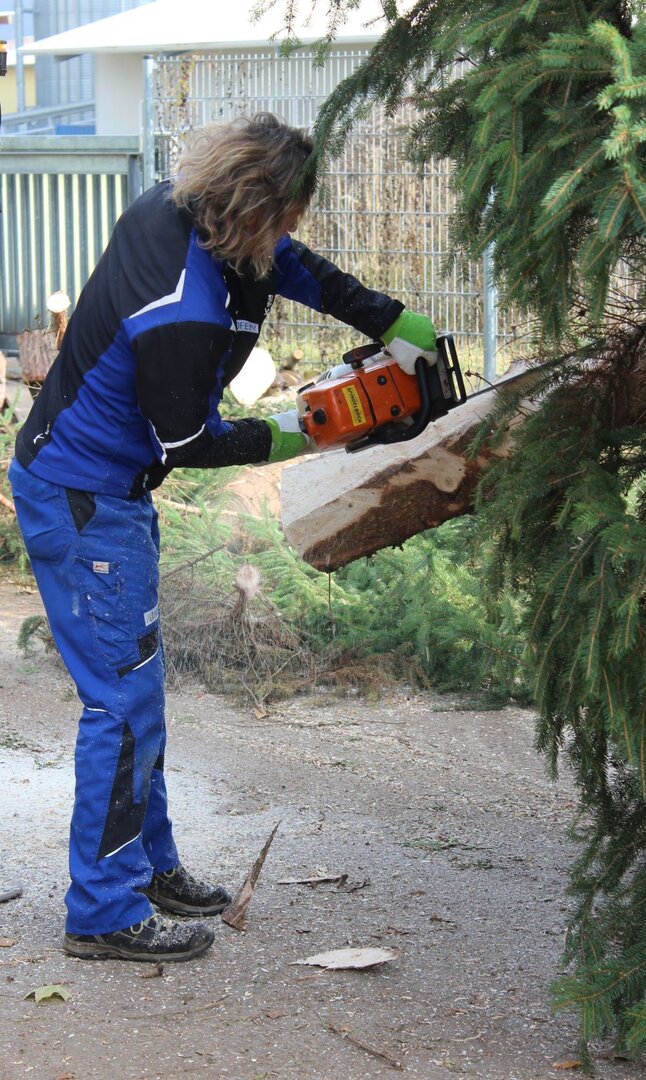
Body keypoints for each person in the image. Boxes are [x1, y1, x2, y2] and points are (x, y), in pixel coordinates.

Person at [9, 113, 437, 963]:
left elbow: (297, 270)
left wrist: (392, 322)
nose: (291, 235)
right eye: (285, 217)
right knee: (121, 707)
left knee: (138, 692)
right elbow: (192, 442)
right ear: (254, 207)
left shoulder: (194, 216)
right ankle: (100, 911)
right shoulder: (183, 307)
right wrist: (315, 426)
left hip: (107, 495)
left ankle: (150, 867)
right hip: (84, 502)